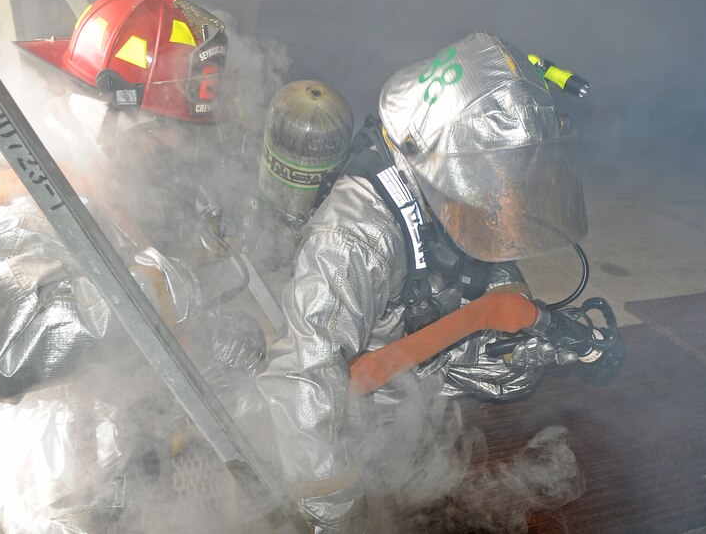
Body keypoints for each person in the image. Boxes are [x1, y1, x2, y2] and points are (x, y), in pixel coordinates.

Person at [257, 31, 625, 532]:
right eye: (498, 179)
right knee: (333, 426)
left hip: (406, 334)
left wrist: (553, 335)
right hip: (361, 376)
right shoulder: (355, 236)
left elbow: (486, 259)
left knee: (513, 364)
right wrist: (337, 512)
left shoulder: (436, 177)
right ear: (448, 164)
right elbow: (302, 379)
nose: (505, 196)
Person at [0, 0, 266, 533]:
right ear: (106, 106)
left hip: (115, 483)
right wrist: (177, 286)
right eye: (160, 129)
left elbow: (123, 349)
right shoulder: (22, 193)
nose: (169, 148)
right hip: (51, 502)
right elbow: (7, 352)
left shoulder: (105, 186)